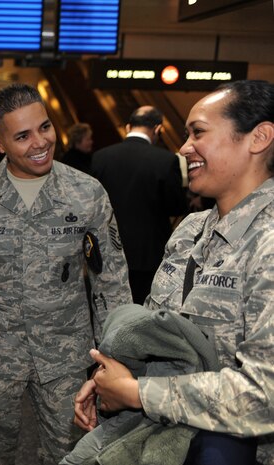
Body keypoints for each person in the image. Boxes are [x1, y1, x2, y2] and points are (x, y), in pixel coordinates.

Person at [73, 80, 274, 465]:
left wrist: (136, 393)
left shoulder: (267, 242)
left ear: (258, 137)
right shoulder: (190, 229)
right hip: (162, 440)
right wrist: (108, 381)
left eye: (198, 132)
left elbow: (265, 393)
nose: (183, 148)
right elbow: (151, 333)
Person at [0, 83, 132, 465]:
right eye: (22, 136)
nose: (40, 142)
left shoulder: (86, 193)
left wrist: (113, 357)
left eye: (44, 128)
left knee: (74, 454)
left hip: (66, 357)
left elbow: (111, 281)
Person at [92, 106, 188, 304]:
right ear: (158, 129)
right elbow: (176, 206)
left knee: (112, 308)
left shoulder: (101, 157)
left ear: (128, 126)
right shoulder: (166, 160)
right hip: (150, 253)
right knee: (143, 311)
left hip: (108, 250)